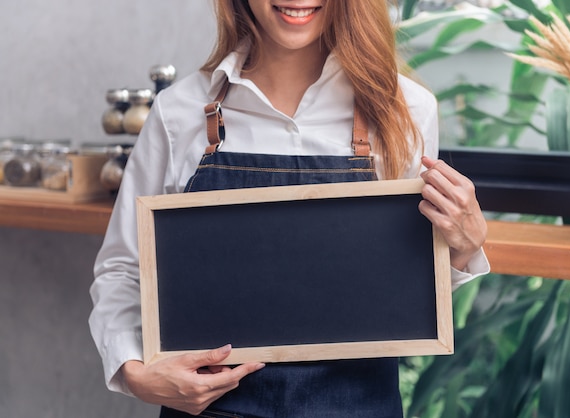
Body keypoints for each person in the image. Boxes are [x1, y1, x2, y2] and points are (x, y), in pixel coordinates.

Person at [89, 0, 490, 417]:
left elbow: (407, 294)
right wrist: (134, 372)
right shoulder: (178, 113)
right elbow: (123, 268)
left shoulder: (405, 109)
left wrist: (463, 246)